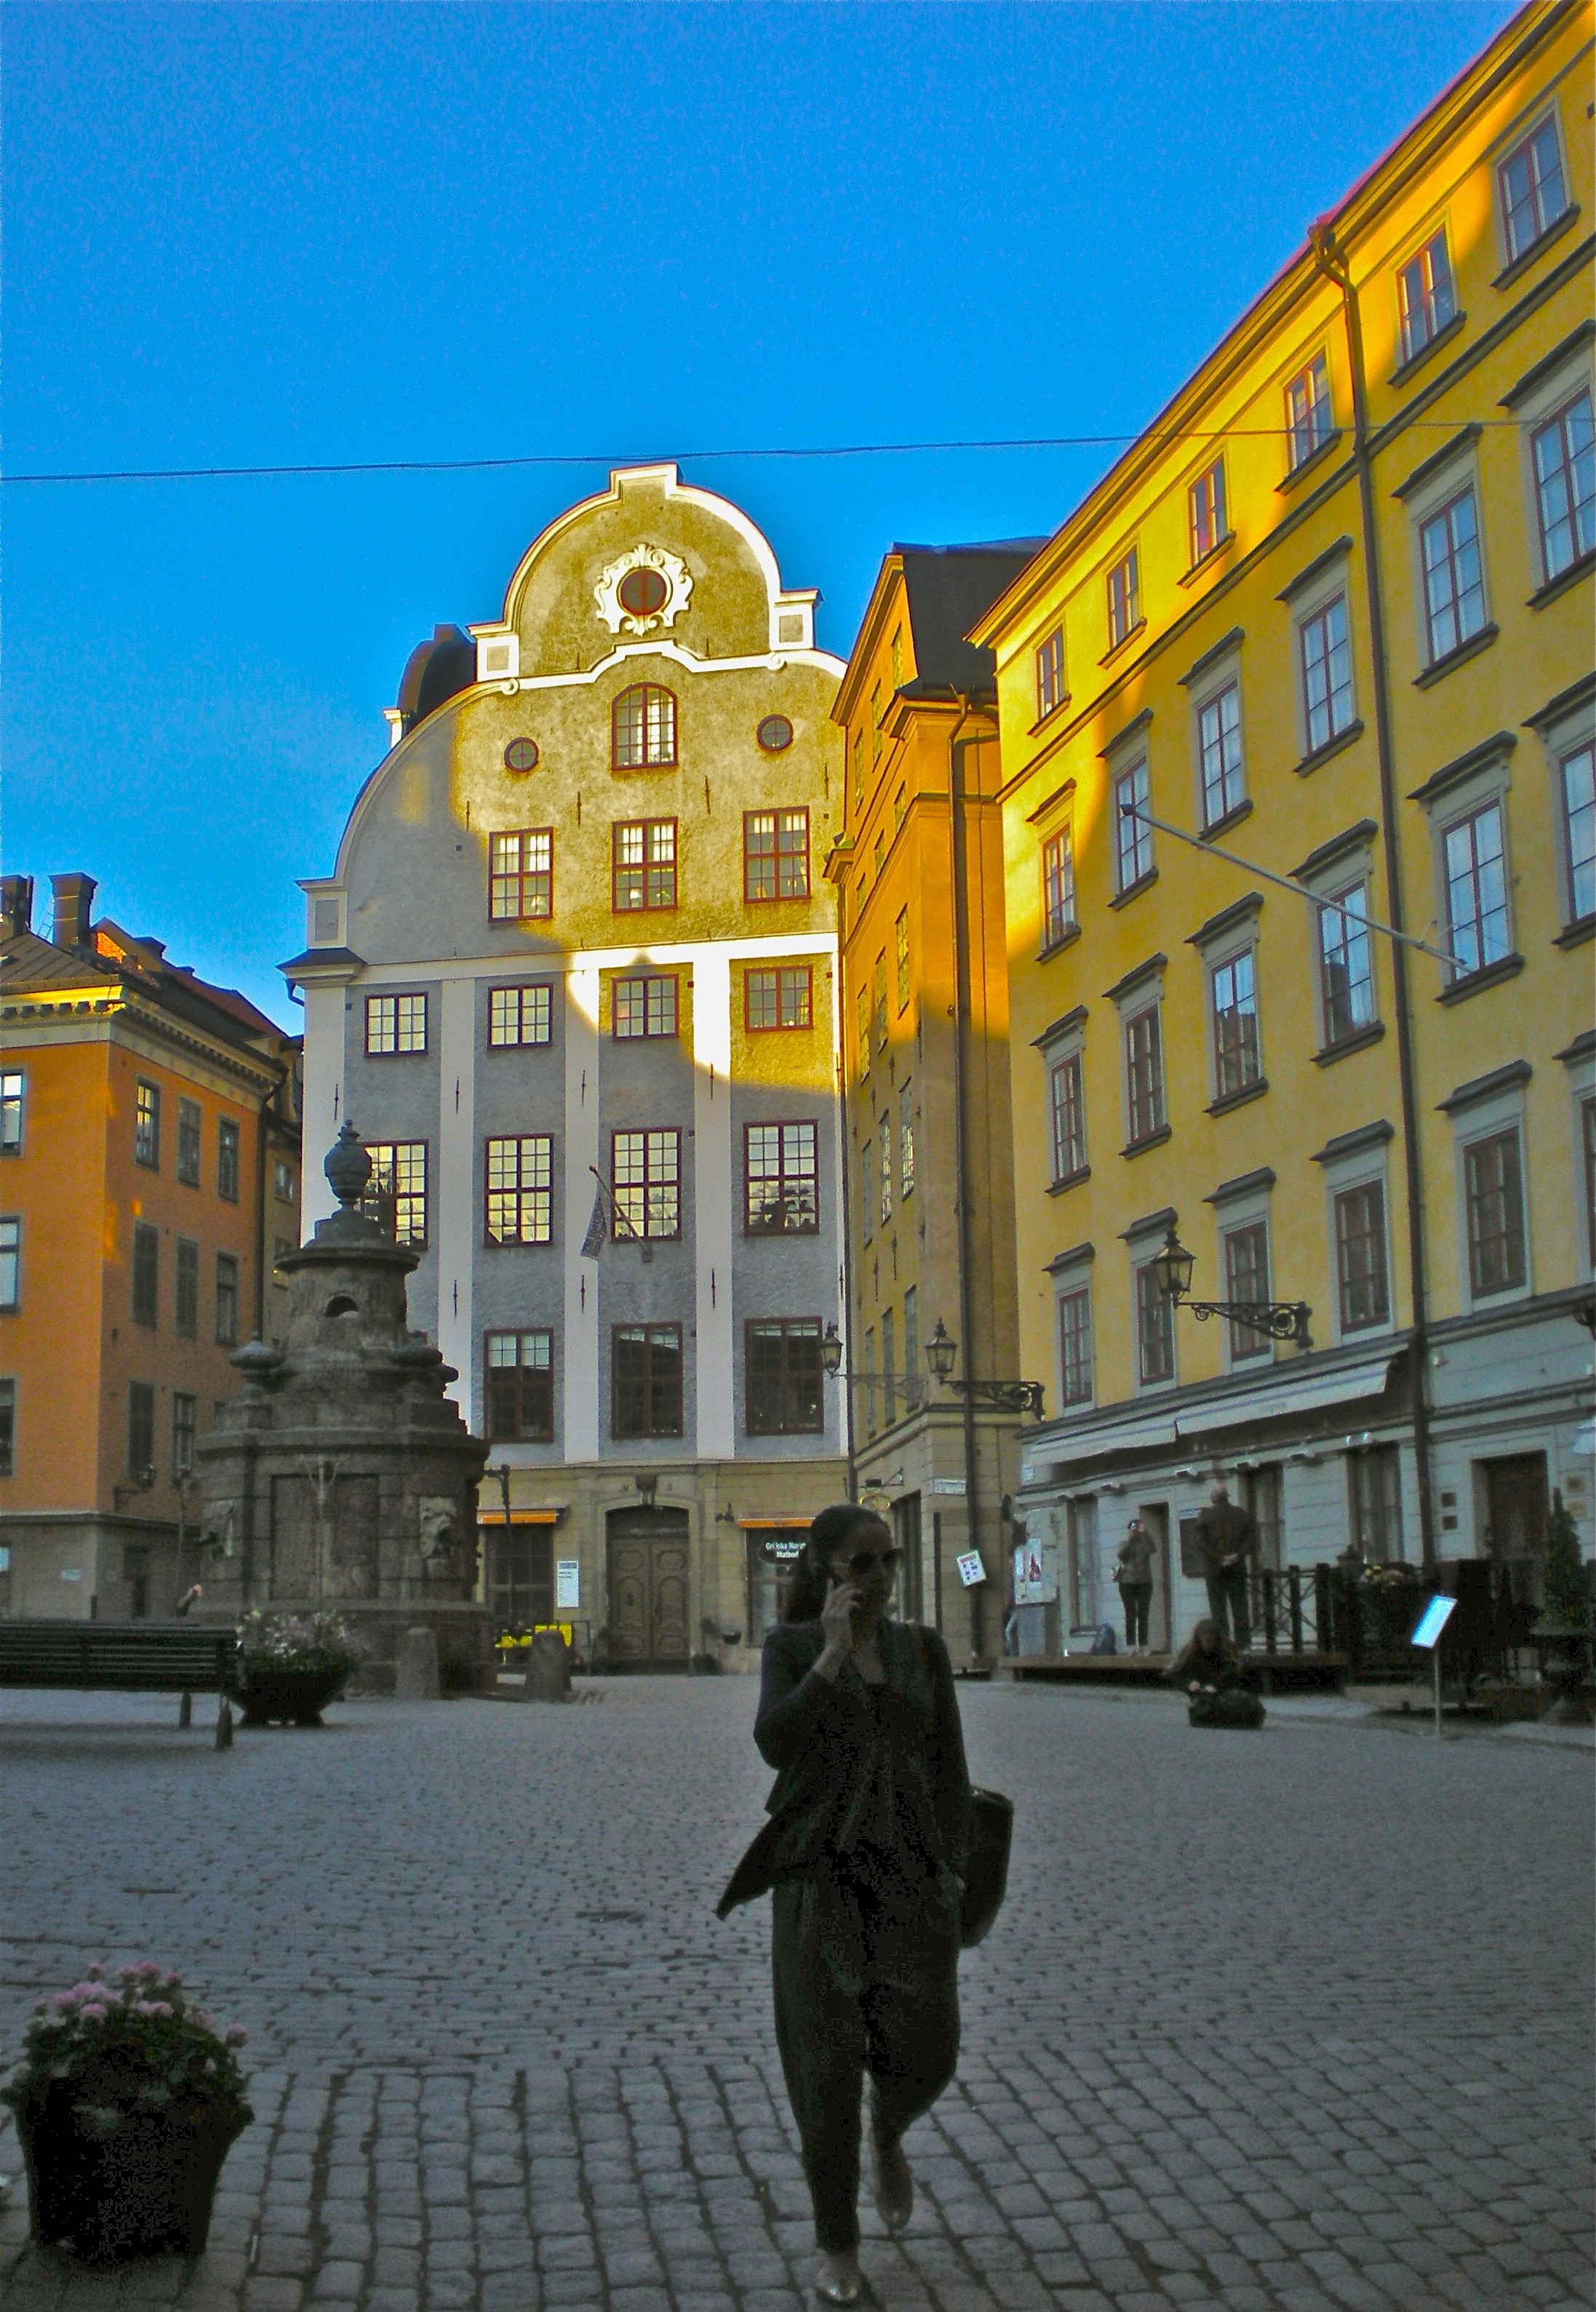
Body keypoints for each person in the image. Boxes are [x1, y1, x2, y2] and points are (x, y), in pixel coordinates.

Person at [717, 1504, 971, 2308]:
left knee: (928, 2037)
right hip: (818, 1873)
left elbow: (948, 1768)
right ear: (825, 1571)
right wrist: (829, 1653)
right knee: (824, 2067)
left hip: (905, 1870)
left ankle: (889, 2125)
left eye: (888, 1561)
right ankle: (838, 2241)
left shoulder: (921, 1650)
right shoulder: (791, 1648)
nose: (880, 1578)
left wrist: (955, 1870)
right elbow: (775, 1743)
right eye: (862, 1563)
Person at [1192, 1482, 1259, 1652]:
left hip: (1214, 1567)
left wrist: (1219, 1557)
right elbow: (1252, 1539)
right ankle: (1244, 1645)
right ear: (1227, 1497)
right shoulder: (1241, 1514)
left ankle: (1223, 1645)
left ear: (1213, 1498)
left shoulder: (1205, 1516)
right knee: (1240, 1606)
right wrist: (1237, 1555)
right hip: (1237, 1566)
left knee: (1218, 1608)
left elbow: (1200, 1543)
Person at [1169, 1617, 1265, 1729]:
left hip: (1224, 1688)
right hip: (1202, 1690)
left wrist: (1215, 1685)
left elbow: (1232, 1673)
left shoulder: (1226, 1652)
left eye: (1210, 1642)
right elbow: (1175, 1674)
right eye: (1205, 1642)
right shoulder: (1191, 1653)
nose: (1207, 1646)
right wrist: (1189, 1684)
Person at [1114, 1518, 1156, 1653]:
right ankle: (1131, 1644)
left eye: (1136, 1529)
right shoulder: (1124, 1544)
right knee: (1130, 1612)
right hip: (1127, 1582)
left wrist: (1145, 1533)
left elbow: (1152, 1549)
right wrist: (1131, 1540)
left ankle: (1144, 1644)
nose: (1135, 1532)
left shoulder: (1145, 1544)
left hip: (1144, 1582)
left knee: (1143, 1613)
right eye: (1132, 1529)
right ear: (1128, 1531)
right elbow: (1122, 1555)